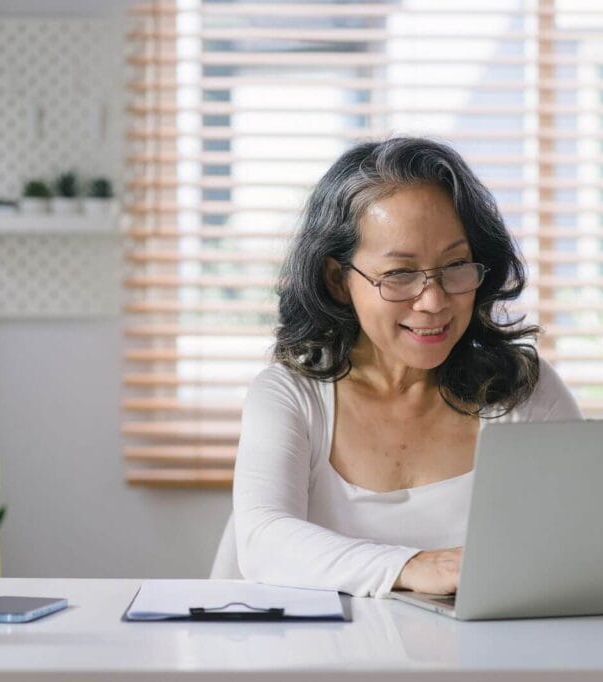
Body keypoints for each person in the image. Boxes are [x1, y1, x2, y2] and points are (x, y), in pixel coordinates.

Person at [232, 137, 582, 598]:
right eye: (399, 274)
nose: (434, 301)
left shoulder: (522, 390)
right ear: (337, 281)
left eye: (456, 265)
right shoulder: (291, 396)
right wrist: (413, 566)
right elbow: (263, 542)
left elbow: (583, 543)